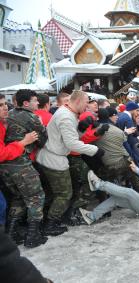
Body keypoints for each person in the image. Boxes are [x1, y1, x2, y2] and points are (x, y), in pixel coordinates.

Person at [36, 90, 103, 236]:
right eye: (86, 103)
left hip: (55, 156)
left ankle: (51, 220)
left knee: (57, 193)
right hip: (53, 159)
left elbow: (70, 137)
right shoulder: (66, 116)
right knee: (64, 194)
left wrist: (81, 128)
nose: (87, 107)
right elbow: (72, 143)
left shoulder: (68, 113)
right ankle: (50, 224)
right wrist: (95, 150)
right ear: (78, 101)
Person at [0, 90, 48, 248]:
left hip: (5, 167)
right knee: (36, 196)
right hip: (19, 164)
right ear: (26, 103)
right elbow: (42, 140)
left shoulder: (11, 114)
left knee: (18, 197)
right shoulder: (32, 117)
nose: (37, 104)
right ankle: (33, 235)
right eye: (35, 101)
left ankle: (12, 233)